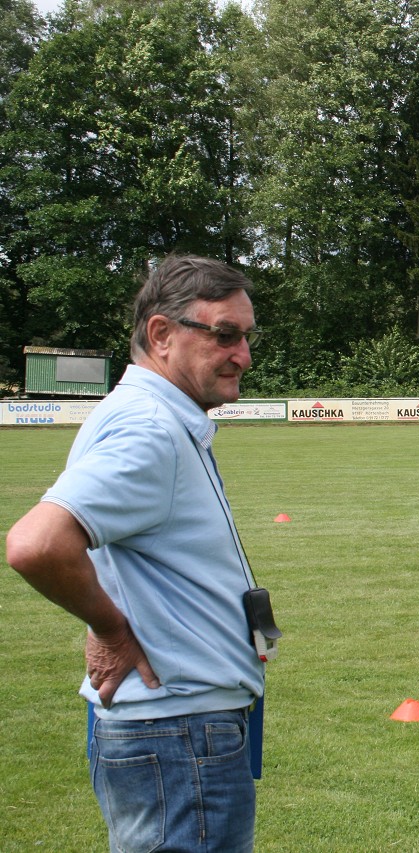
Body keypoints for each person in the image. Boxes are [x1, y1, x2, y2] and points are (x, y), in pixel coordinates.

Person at [5, 255, 270, 851]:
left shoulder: (150, 415)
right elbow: (36, 544)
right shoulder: (149, 428)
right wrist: (110, 626)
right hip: (178, 736)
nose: (243, 356)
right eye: (225, 335)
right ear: (161, 334)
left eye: (246, 337)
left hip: (173, 732)